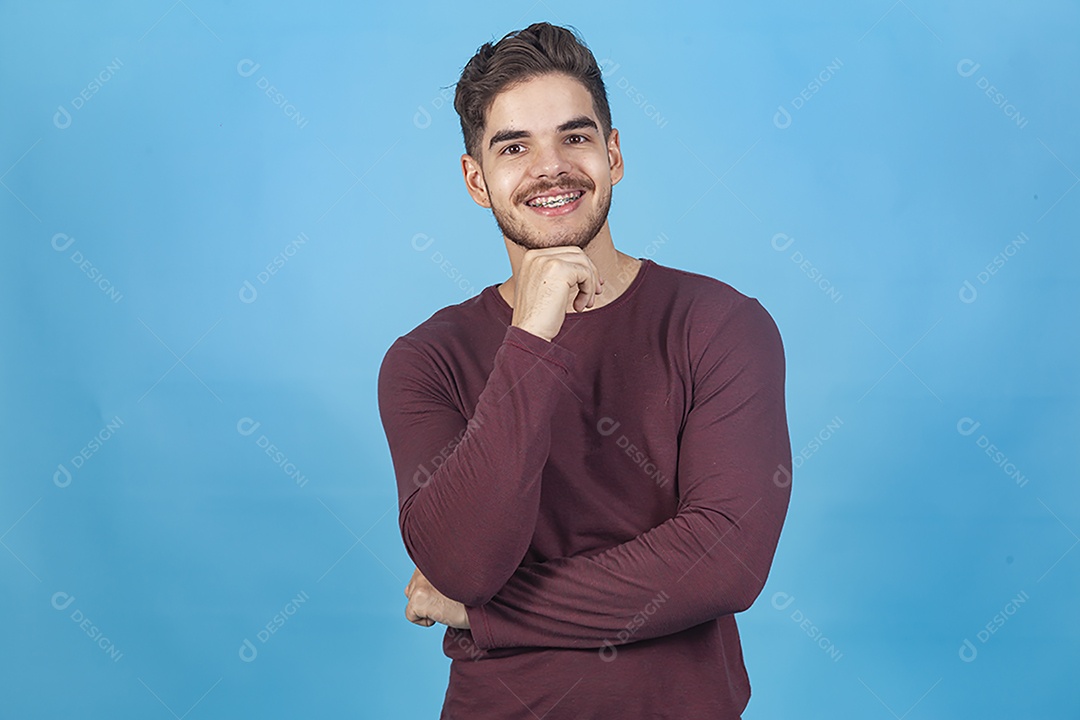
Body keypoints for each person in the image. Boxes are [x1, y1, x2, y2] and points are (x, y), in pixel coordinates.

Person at [377, 21, 792, 719]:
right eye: (515, 147)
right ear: (477, 180)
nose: (551, 168)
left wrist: (486, 614)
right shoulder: (426, 361)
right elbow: (464, 564)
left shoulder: (720, 324)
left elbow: (725, 561)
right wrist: (531, 337)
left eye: (574, 137)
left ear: (613, 154)